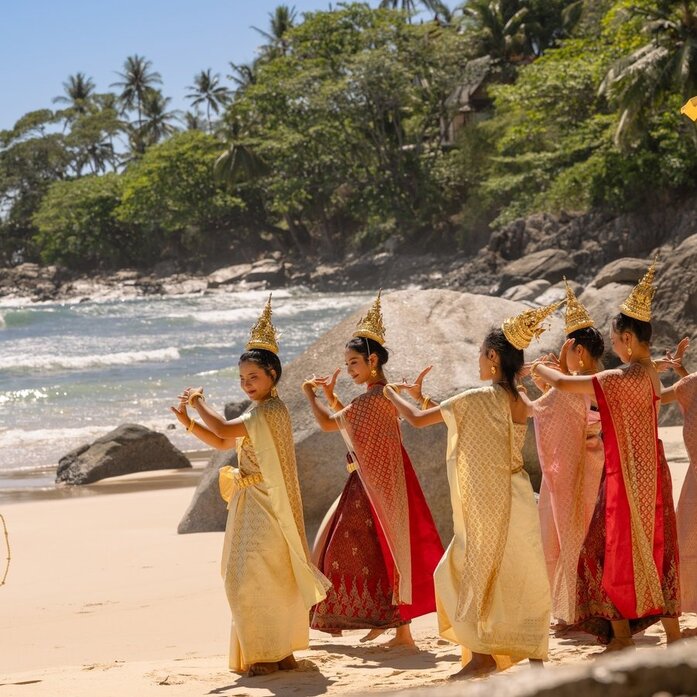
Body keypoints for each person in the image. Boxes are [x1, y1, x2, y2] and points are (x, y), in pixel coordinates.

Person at [384, 303, 558, 679]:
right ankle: (535, 659)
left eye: (481, 353)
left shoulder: (475, 399)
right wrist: (424, 398)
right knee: (521, 573)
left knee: (465, 570)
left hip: (487, 504)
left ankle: (481, 657)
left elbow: (415, 421)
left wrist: (391, 394)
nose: (478, 360)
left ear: (493, 356)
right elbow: (468, 421)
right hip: (517, 497)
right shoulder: (518, 398)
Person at [171, 297, 329, 676]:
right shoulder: (262, 413)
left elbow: (225, 429)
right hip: (254, 502)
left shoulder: (268, 411)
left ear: (273, 375)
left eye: (253, 378)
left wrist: (199, 403)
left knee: (246, 580)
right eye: (242, 379)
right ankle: (276, 651)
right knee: (265, 578)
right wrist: (189, 422)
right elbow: (226, 443)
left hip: (263, 503)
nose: (246, 385)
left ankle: (265, 654)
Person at [533, 260, 681, 651]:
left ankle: (619, 636)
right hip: (654, 472)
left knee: (609, 551)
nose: (614, 347)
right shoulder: (650, 374)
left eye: (617, 340)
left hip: (625, 477)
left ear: (629, 339)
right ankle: (673, 634)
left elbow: (566, 384)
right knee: (657, 549)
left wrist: (546, 370)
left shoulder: (622, 377)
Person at [302, 291, 444, 647]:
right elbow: (355, 425)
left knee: (342, 549)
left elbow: (329, 424)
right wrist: (334, 398)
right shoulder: (385, 393)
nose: (349, 369)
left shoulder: (368, 399)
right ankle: (394, 626)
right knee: (384, 550)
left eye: (354, 363)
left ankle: (395, 628)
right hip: (383, 479)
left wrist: (311, 396)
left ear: (373, 360)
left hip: (371, 483)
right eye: (347, 363)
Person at [530, 281, 605, 626]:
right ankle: (570, 607)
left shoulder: (592, 380)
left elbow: (582, 415)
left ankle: (578, 608)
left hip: (582, 470)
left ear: (578, 351)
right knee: (564, 538)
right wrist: (552, 391)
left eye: (569, 351)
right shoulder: (587, 379)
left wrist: (554, 382)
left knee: (574, 536)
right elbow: (556, 406)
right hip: (573, 467)